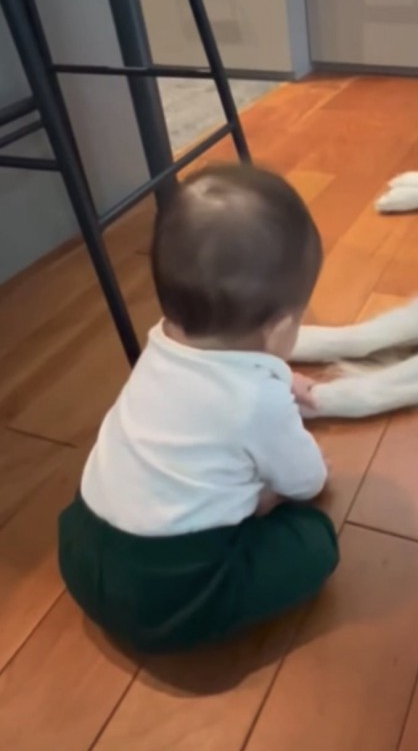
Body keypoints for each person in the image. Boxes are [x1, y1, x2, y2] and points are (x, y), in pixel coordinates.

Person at [58, 162, 338, 653]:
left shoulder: (161, 343)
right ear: (277, 332)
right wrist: (269, 497)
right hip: (174, 591)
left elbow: (211, 384)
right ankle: (246, 524)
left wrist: (278, 373)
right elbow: (308, 480)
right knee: (315, 541)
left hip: (80, 547)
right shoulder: (258, 403)